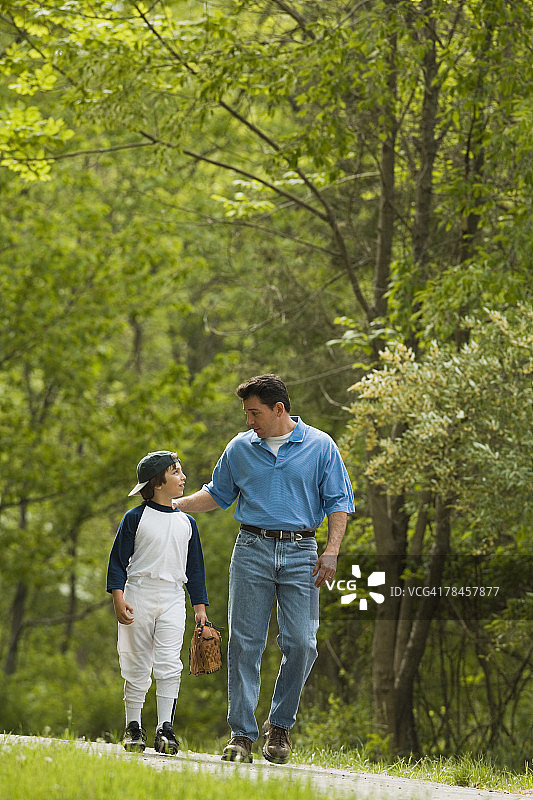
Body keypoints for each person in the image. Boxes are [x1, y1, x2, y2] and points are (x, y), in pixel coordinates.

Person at [175, 374, 354, 764]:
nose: (249, 421)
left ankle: (281, 727)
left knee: (303, 644)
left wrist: (332, 550)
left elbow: (339, 501)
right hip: (252, 549)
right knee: (244, 645)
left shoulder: (320, 446)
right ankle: (241, 736)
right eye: (246, 413)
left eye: (255, 413)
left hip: (302, 553)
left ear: (279, 409)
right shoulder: (240, 448)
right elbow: (216, 494)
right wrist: (174, 506)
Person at [107, 450, 209, 754]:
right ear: (157, 482)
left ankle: (166, 729)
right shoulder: (134, 518)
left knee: (168, 663)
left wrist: (199, 607)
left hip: (173, 597)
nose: (183, 477)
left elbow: (195, 569)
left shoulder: (187, 523)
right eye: (176, 472)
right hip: (138, 594)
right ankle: (134, 727)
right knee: (136, 662)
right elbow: (117, 562)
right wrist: (118, 596)